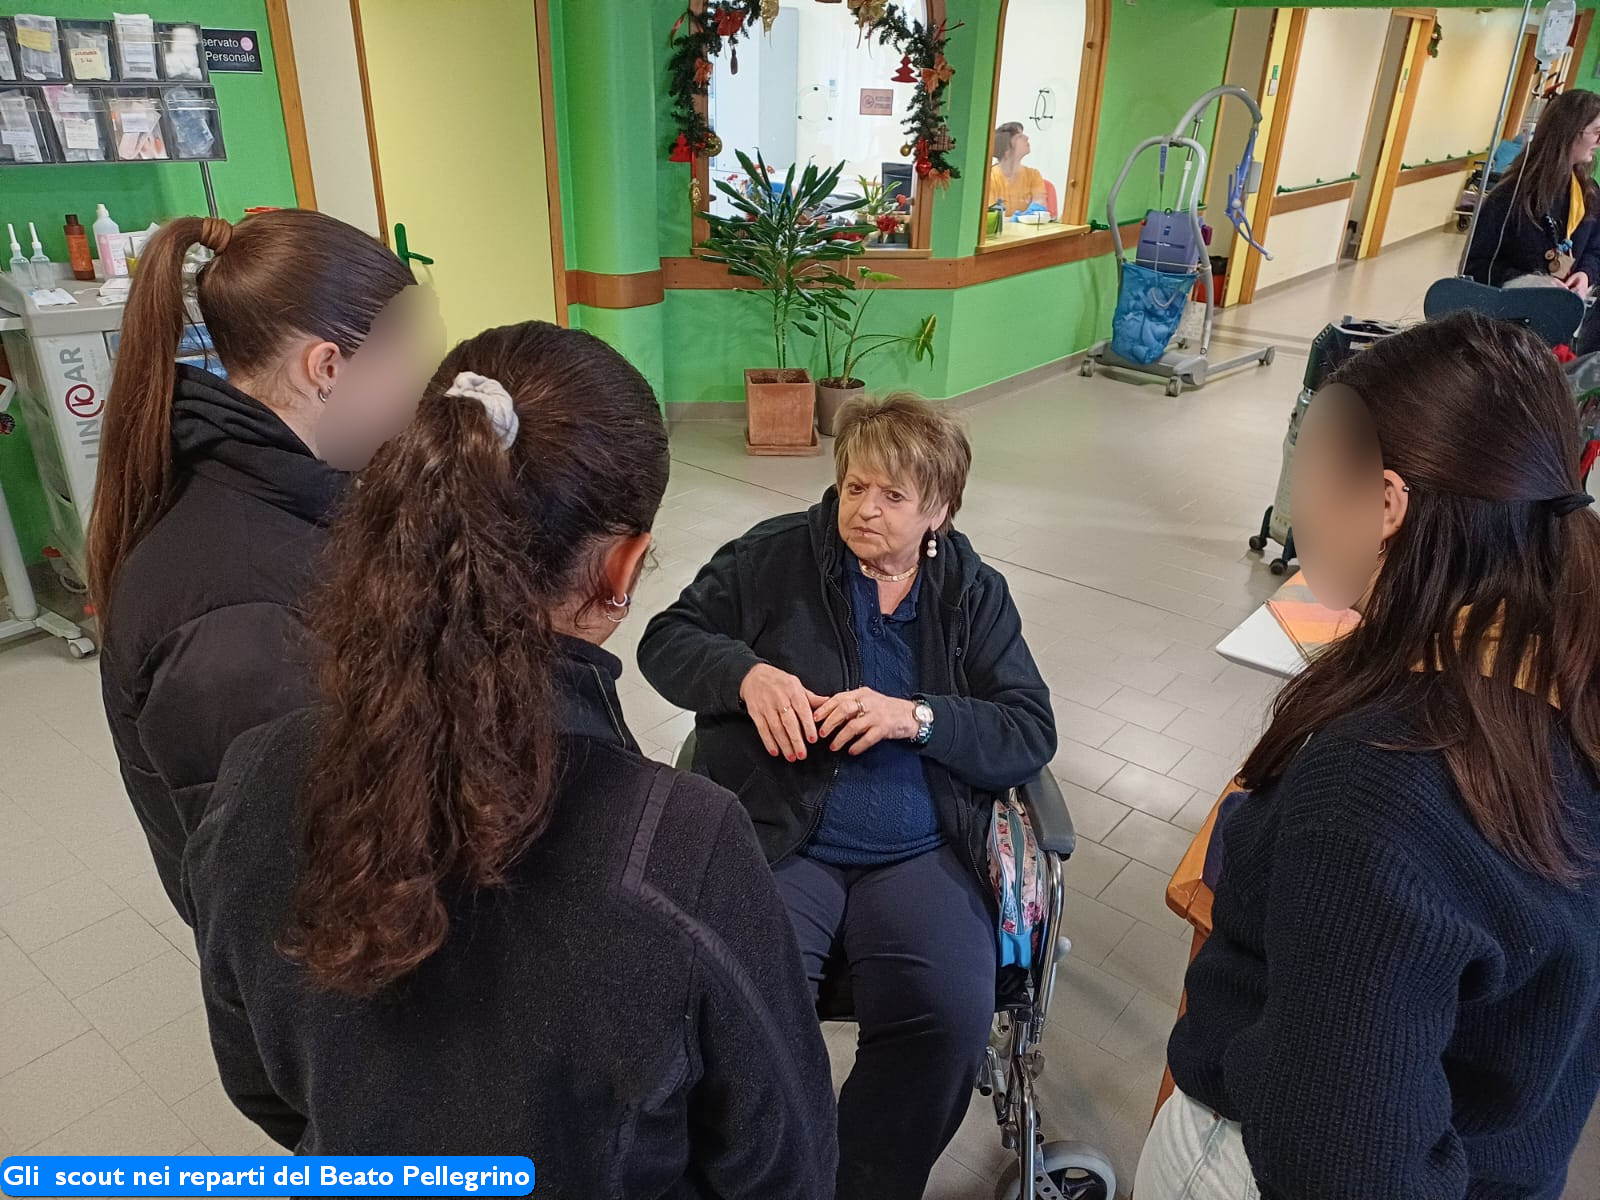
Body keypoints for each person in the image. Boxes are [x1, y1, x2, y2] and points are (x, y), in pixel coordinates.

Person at [183, 322, 836, 1196]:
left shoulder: (257, 774)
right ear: (622, 569)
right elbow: (783, 1159)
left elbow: (262, 1079)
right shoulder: (685, 848)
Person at [1139, 312, 1600, 1199]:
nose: (1297, 502)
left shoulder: (1381, 783)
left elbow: (1341, 1155)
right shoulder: (1563, 678)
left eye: (1307, 464)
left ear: (1387, 503)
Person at [637, 394, 1056, 1200]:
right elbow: (667, 641)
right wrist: (745, 675)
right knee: (743, 1016)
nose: (865, 509)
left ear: (938, 511)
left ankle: (861, 1181)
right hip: (783, 835)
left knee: (946, 1020)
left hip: (921, 849)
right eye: (855, 487)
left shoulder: (972, 592)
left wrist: (918, 717)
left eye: (893, 495)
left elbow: (1028, 728)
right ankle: (773, 1178)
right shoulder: (773, 558)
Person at [89, 209, 420, 924]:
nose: (419, 391)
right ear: (326, 368)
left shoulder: (284, 490)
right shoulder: (238, 625)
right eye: (406, 360)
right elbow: (291, 898)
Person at [1465, 88, 1600, 292]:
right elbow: (1476, 265)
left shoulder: (1589, 193)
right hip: (1514, 307)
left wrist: (1586, 274)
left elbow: (1596, 250)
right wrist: (1530, 283)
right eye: (1597, 132)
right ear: (1571, 132)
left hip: (1566, 306)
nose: (1599, 142)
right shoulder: (1510, 195)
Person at [987, 121, 1050, 218]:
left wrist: (1031, 214)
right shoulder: (989, 178)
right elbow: (991, 216)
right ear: (1006, 148)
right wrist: (1019, 219)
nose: (1026, 138)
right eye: (1019, 137)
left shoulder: (1033, 175)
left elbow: (1040, 204)